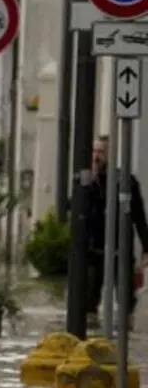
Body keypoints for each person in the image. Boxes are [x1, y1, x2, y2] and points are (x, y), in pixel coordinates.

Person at [74, 135, 148, 326]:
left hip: (119, 248)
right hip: (93, 249)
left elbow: (139, 216)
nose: (97, 156)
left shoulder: (126, 181)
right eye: (95, 152)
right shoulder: (86, 181)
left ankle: (124, 329)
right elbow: (74, 210)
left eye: (102, 152)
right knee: (89, 300)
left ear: (110, 155)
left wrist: (146, 247)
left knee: (125, 300)